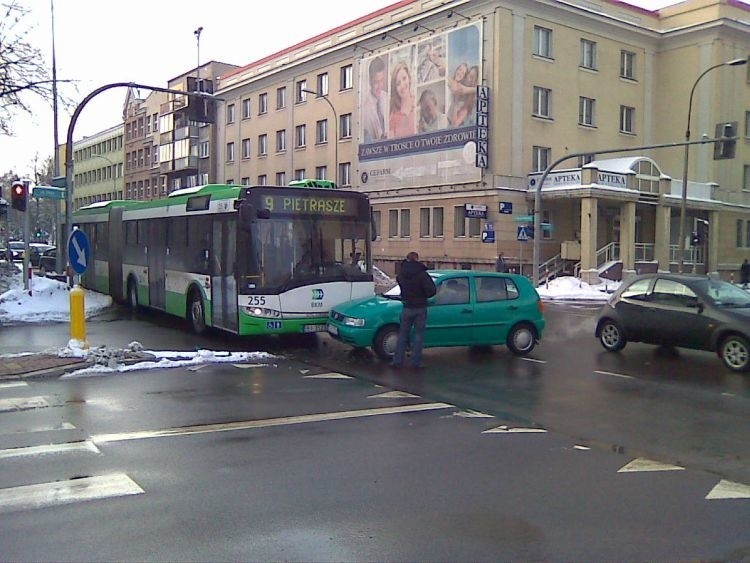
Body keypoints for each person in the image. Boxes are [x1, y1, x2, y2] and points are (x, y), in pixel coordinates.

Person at [392, 251, 436, 369]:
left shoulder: (401, 274)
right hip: (420, 307)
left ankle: (397, 361)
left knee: (402, 335)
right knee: (418, 335)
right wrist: (423, 295)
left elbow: (400, 284)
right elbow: (432, 291)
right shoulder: (422, 274)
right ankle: (415, 362)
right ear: (417, 259)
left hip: (407, 307)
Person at [362, 56, 387, 143]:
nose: (380, 86)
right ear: (370, 81)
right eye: (376, 82)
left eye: (382, 81)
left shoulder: (387, 98)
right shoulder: (364, 108)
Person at [388, 62, 417, 138]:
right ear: (395, 89)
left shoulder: (417, 103)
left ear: (409, 78)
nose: (402, 85)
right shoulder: (393, 117)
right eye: (398, 84)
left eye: (404, 78)